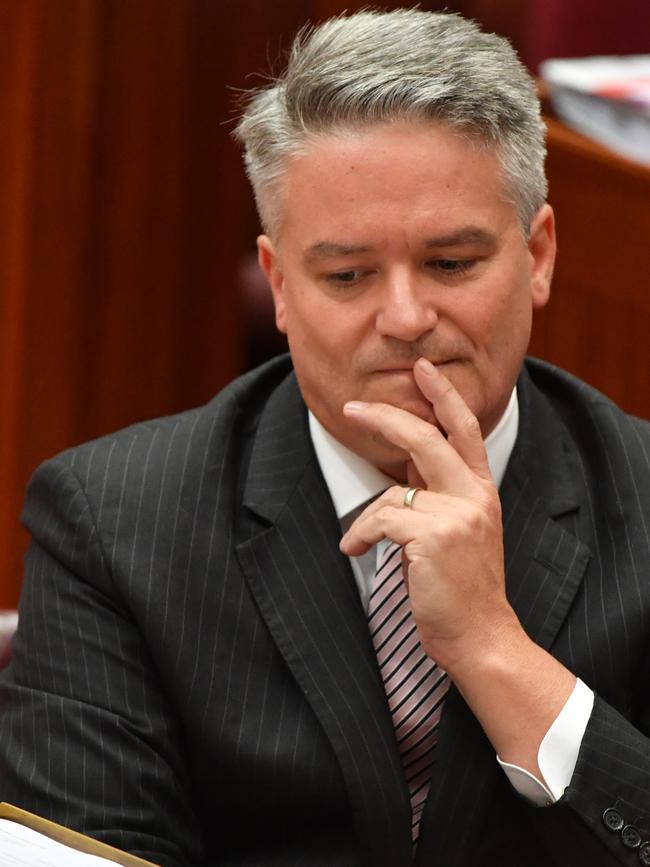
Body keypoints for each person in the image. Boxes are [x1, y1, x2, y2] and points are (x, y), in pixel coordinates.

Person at [1, 8, 649, 866]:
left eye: (452, 264)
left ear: (538, 256)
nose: (407, 319)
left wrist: (494, 650)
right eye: (347, 275)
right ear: (276, 283)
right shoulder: (114, 522)